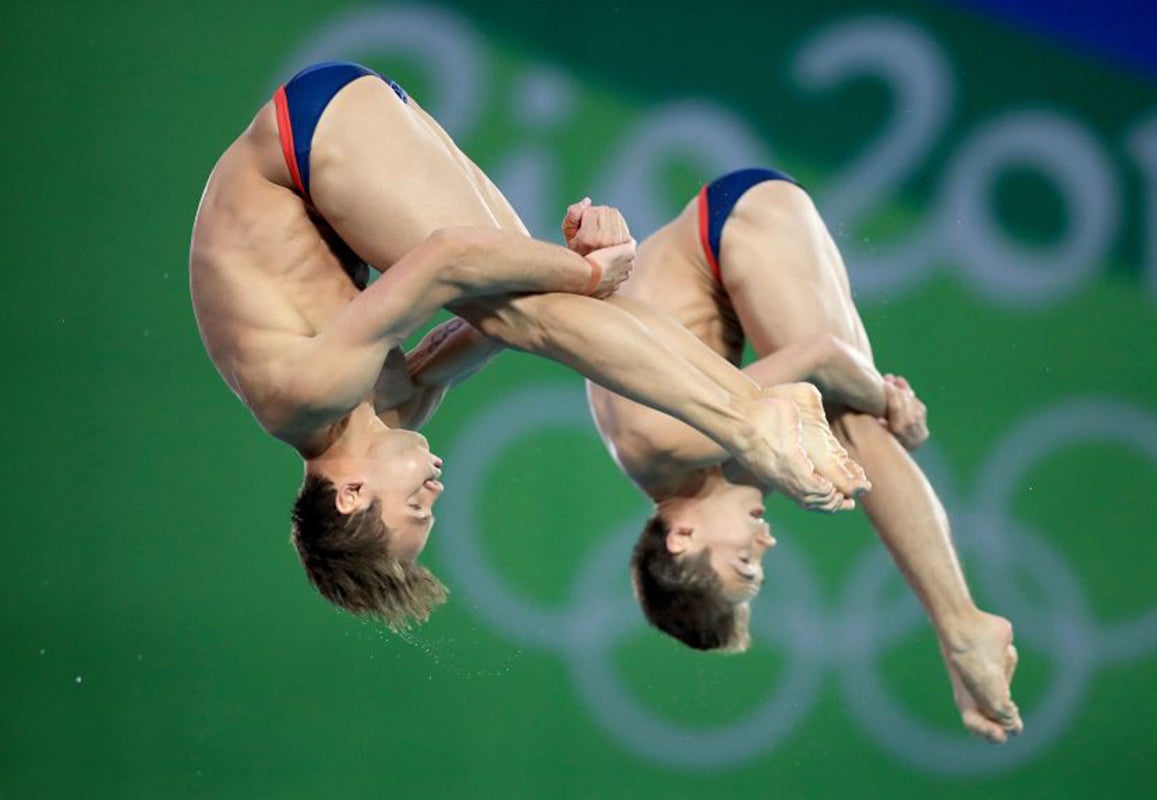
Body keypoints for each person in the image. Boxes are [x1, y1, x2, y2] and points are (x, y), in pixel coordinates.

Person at [189, 64, 868, 632]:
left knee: (540, 307)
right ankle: (750, 407)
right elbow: (489, 323)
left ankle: (749, 418)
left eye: (417, 507)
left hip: (309, 140)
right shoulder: (394, 405)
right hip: (338, 130)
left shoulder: (301, 398)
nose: (437, 489)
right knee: (549, 309)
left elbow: (449, 259)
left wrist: (585, 271)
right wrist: (585, 274)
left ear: (351, 494)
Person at [585, 168, 1023, 743]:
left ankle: (962, 629)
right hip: (724, 236)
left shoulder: (671, 443)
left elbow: (824, 357)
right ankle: (958, 631)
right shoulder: (697, 477)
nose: (764, 546)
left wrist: (891, 404)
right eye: (759, 567)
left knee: (852, 422)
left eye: (743, 564)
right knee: (839, 431)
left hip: (732, 225)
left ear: (680, 538)